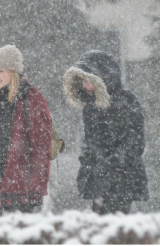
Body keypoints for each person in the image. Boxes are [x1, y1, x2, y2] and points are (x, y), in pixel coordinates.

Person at [0, 45, 52, 214]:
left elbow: (41, 147)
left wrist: (36, 189)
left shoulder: (31, 98)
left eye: (0, 70)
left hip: (24, 190)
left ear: (13, 71)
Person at [63, 50, 148, 215]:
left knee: (114, 224)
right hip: (100, 178)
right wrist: (89, 162)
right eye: (82, 81)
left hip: (122, 179)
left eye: (89, 81)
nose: (85, 86)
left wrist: (111, 163)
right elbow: (90, 142)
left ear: (103, 79)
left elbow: (135, 143)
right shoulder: (91, 106)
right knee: (101, 224)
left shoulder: (126, 101)